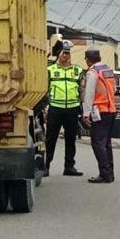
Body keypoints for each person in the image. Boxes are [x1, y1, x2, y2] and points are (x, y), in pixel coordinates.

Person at [44, 39, 84, 177]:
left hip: (72, 108)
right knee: (51, 138)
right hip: (55, 108)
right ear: (58, 54)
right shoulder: (50, 70)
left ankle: (69, 166)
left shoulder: (77, 70)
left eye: (67, 53)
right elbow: (45, 89)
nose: (65, 56)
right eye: (63, 53)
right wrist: (45, 108)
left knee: (71, 139)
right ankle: (46, 166)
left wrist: (83, 107)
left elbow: (82, 90)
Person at [81, 48, 117, 184]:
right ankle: (110, 173)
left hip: (100, 110)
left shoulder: (92, 72)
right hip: (111, 109)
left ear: (87, 60)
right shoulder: (108, 70)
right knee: (106, 143)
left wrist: (86, 113)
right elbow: (113, 89)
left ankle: (104, 173)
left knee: (97, 143)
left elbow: (89, 93)